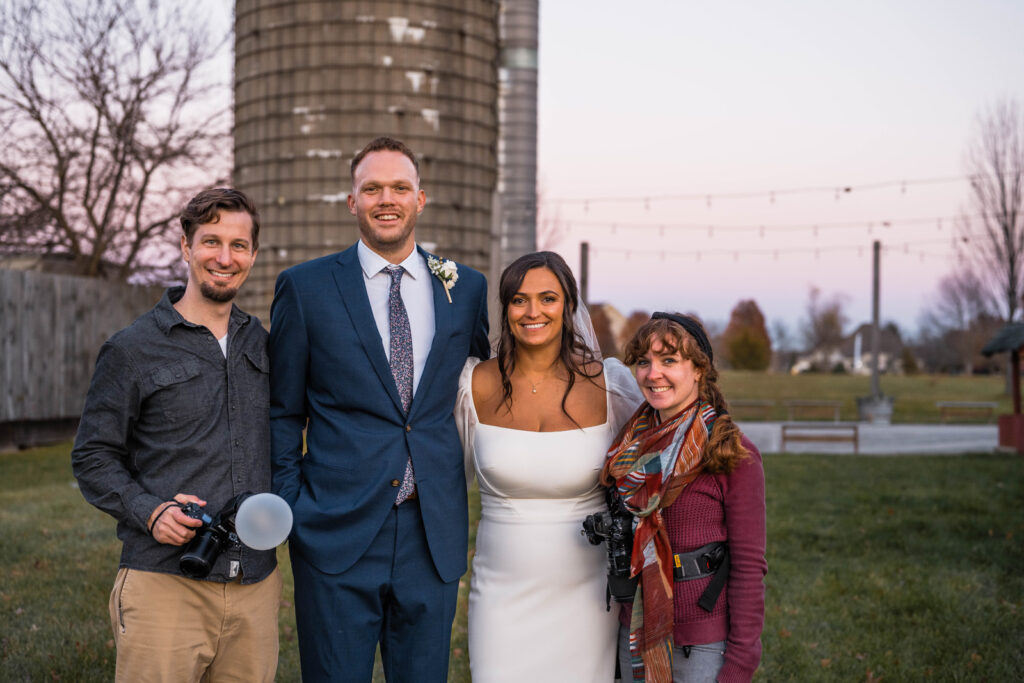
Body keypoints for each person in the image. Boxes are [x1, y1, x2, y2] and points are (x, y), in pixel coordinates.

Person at [269, 136, 490, 682]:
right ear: (352, 201)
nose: (385, 198)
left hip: (430, 533)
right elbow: (281, 412)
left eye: (399, 187)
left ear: (421, 198)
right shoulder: (305, 288)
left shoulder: (463, 288)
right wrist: (295, 507)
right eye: (372, 188)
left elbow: (482, 384)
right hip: (335, 531)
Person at [71, 188, 281, 682]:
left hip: (255, 584)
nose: (224, 258)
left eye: (238, 245)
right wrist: (152, 510)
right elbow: (93, 456)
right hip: (164, 583)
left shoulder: (264, 344)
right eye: (211, 242)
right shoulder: (132, 348)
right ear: (186, 247)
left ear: (253, 254)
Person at [454, 251, 643, 682]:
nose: (533, 311)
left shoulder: (609, 385)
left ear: (569, 306)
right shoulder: (474, 384)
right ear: (505, 309)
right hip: (501, 590)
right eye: (519, 300)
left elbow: (651, 462)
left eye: (548, 298)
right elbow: (440, 472)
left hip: (587, 594)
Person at [604, 313, 767, 683]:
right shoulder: (626, 450)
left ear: (698, 370)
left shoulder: (731, 452)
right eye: (644, 362)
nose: (652, 373)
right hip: (635, 631)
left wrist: (740, 663)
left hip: (702, 644)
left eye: (669, 360)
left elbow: (748, 567)